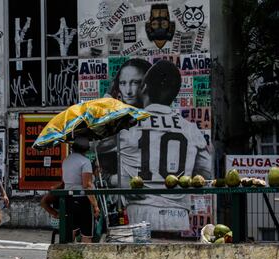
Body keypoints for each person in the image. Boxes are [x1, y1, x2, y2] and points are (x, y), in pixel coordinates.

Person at [120, 60, 212, 232]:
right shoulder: (191, 129)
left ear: (144, 88)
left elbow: (109, 168)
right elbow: (205, 173)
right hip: (177, 215)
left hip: (140, 211)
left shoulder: (127, 127)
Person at [62, 136, 100, 243]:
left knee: (71, 230)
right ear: (86, 149)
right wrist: (95, 205)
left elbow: (67, 180)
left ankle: (66, 254)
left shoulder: (66, 160)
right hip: (82, 200)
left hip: (68, 199)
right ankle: (86, 258)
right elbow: (87, 185)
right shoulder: (85, 161)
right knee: (86, 233)